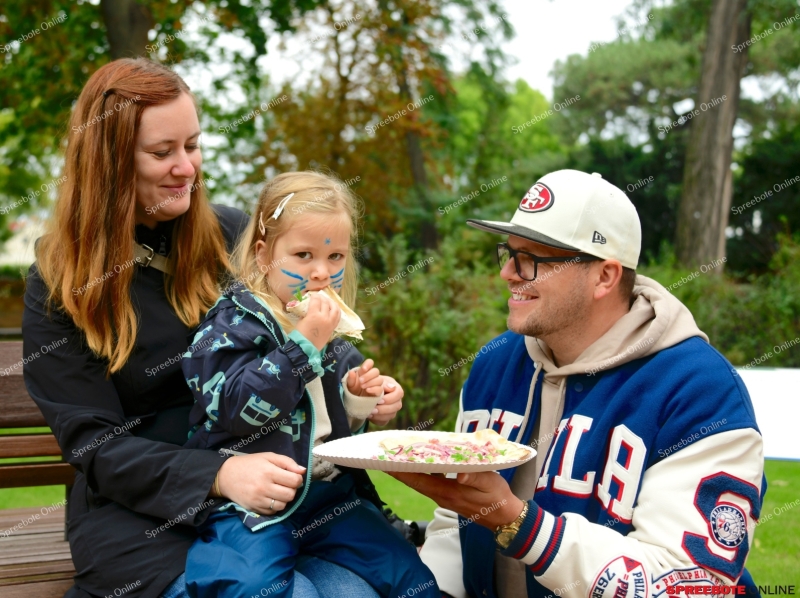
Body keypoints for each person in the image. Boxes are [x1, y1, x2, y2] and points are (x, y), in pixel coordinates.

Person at [22, 58, 395, 598]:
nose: (186, 168)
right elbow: (95, 446)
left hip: (283, 495)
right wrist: (217, 475)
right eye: (161, 152)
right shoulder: (58, 284)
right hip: (146, 517)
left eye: (192, 146)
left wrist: (357, 389)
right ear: (108, 163)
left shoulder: (233, 237)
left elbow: (304, 348)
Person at [390, 170, 764, 598]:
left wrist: (519, 524)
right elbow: (453, 530)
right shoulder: (494, 365)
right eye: (508, 253)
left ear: (604, 276)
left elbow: (688, 584)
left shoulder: (699, 391)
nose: (508, 273)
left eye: (532, 258)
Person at [180, 171, 439, 598]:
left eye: (335, 256)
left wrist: (362, 403)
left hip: (328, 500)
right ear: (264, 256)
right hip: (251, 507)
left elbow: (334, 433)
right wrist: (305, 344)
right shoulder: (232, 327)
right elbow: (238, 410)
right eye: (303, 255)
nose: (322, 273)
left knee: (413, 578)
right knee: (250, 586)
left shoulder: (332, 336)